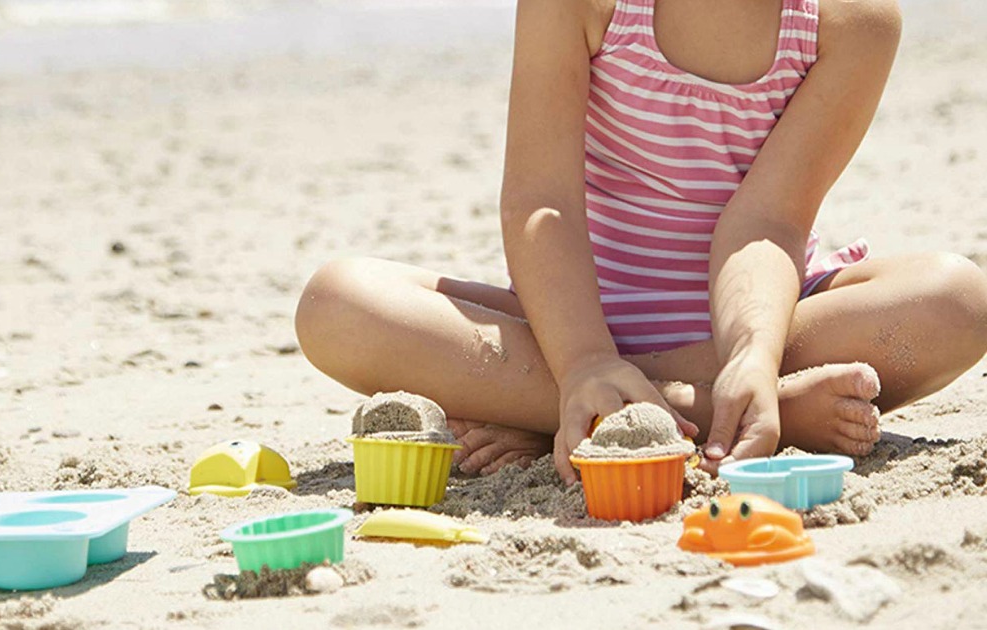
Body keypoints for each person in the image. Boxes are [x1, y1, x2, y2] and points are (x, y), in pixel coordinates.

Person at [294, 0, 987, 484]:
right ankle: (716, 412)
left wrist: (752, 352)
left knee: (957, 299)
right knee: (338, 305)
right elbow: (542, 201)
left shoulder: (853, 18)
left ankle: (614, 409)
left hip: (775, 322)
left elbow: (767, 223)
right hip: (570, 326)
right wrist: (586, 358)